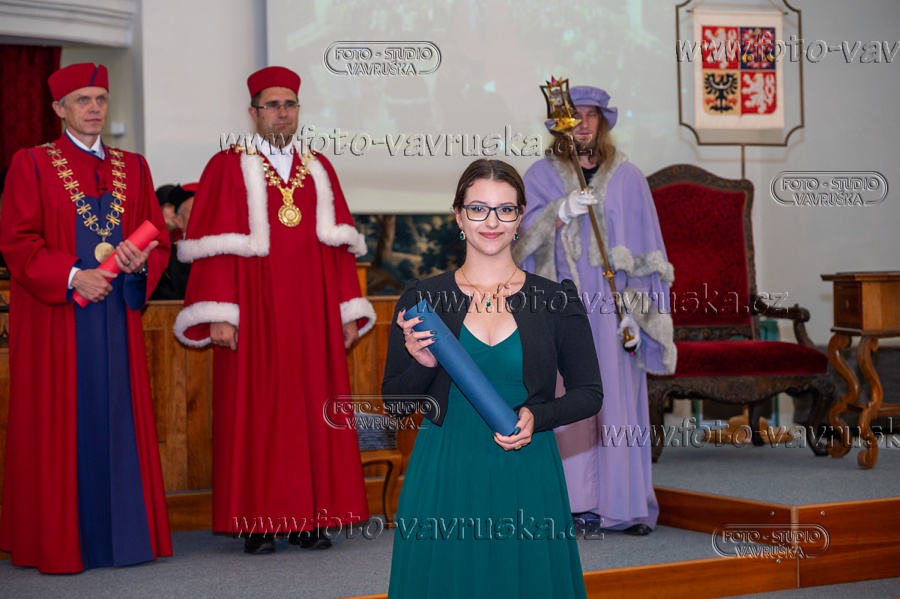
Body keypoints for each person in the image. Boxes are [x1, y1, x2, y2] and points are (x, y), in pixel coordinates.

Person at [174, 66, 375, 554]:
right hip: (254, 311)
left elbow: (339, 248)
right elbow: (214, 248)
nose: (282, 113)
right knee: (258, 412)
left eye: (290, 104)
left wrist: (347, 310)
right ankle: (259, 522)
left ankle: (311, 519)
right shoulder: (226, 165)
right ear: (253, 112)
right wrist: (220, 313)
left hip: (312, 312)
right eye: (272, 105)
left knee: (313, 410)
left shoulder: (319, 166)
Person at [383, 159, 603, 598]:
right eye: (478, 208)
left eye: (505, 210)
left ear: (520, 218)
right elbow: (396, 405)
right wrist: (424, 364)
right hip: (445, 467)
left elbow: (589, 393)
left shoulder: (555, 300)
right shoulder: (423, 298)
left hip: (527, 467)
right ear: (459, 216)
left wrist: (538, 416)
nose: (491, 222)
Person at [0, 62, 173, 572]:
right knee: (61, 422)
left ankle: (124, 540)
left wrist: (141, 263)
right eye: (82, 100)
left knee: (118, 417)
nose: (94, 108)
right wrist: (74, 275)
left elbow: (157, 236)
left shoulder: (135, 167)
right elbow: (17, 241)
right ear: (59, 108)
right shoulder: (31, 164)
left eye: (100, 99)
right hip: (58, 320)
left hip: (116, 316)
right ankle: (62, 542)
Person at [514, 86, 676, 536]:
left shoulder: (629, 178)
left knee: (617, 408)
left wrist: (637, 316)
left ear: (603, 121)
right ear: (558, 124)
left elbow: (647, 256)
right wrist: (558, 213)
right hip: (559, 312)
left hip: (612, 315)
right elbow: (517, 245)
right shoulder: (539, 177)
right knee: (566, 404)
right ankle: (569, 506)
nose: (582, 123)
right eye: (575, 115)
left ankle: (623, 507)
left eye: (591, 115)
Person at [151, 183, 196, 300]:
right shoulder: (166, 259)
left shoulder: (223, 253)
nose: (202, 217)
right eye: (194, 212)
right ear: (178, 221)